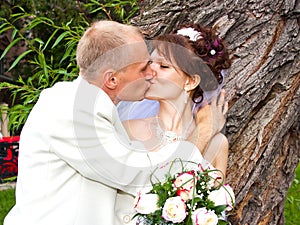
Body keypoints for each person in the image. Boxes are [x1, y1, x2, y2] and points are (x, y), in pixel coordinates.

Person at [4, 21, 226, 225]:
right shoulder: (71, 109)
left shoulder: (96, 110)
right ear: (112, 79)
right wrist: (203, 134)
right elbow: (133, 173)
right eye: (143, 68)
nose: (151, 74)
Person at [115, 24, 231, 225]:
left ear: (190, 82)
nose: (150, 71)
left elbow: (216, 213)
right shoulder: (128, 130)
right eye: (150, 63)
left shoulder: (217, 145)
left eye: (164, 66)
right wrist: (203, 134)